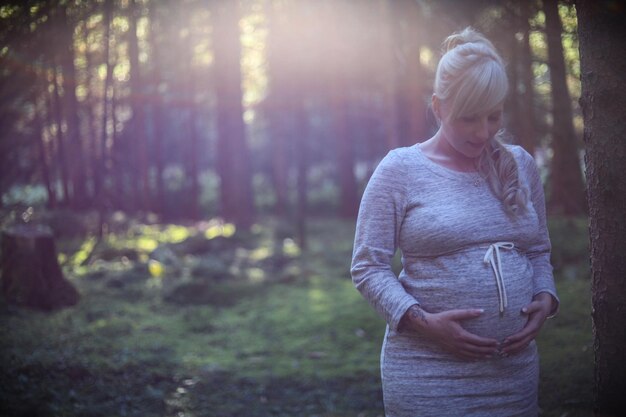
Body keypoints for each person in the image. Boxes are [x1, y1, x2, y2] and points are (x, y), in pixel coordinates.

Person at [350, 27, 559, 417]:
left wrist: (545, 298)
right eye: (468, 119)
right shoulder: (400, 169)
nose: (483, 133)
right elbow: (368, 267)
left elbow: (538, 250)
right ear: (438, 106)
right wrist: (423, 322)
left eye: (493, 116)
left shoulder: (520, 165)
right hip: (428, 376)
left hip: (512, 372)